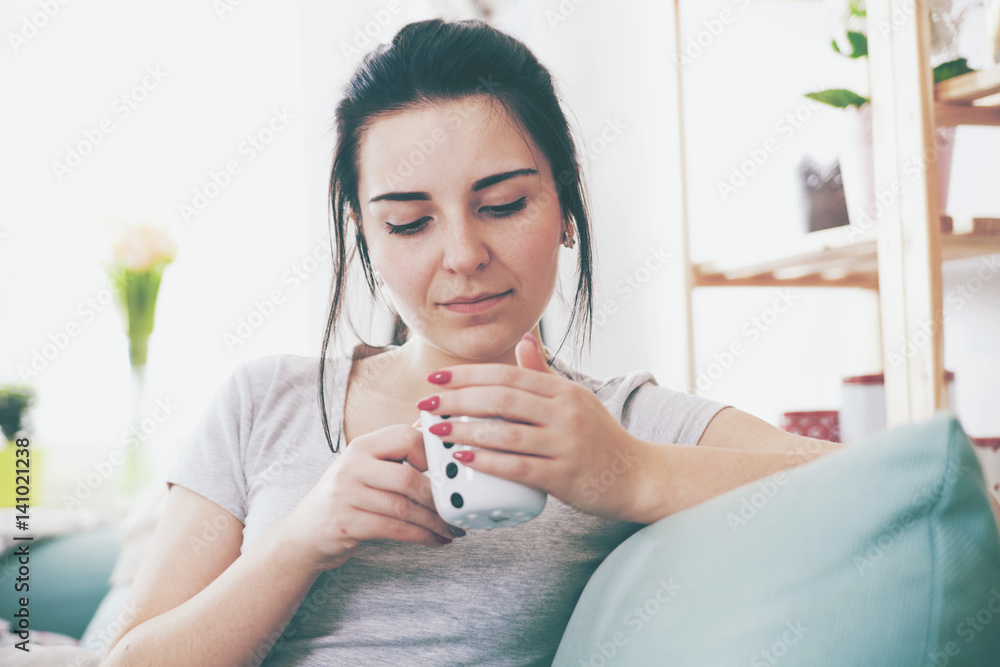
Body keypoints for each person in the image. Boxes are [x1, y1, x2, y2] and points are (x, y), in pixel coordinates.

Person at [99, 18, 844, 666]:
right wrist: (302, 538)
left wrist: (632, 471)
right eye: (408, 221)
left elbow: (892, 481)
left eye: (503, 204)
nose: (461, 254)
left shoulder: (619, 421)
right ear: (364, 235)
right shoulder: (264, 401)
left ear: (566, 205)